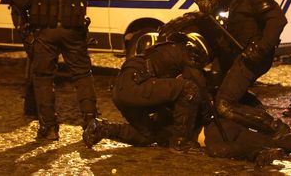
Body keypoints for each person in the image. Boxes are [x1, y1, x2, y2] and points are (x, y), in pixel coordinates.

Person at [14, 0, 98, 140]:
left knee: (43, 77)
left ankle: (49, 127)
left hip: (44, 32)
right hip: (74, 31)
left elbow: (22, 1)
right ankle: (91, 124)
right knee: (82, 75)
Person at [203, 0, 290, 138]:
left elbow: (277, 20)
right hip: (238, 54)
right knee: (225, 90)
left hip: (252, 57)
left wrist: (260, 48)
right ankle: (254, 120)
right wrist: (210, 5)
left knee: (224, 103)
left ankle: (275, 128)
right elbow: (224, 2)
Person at [83, 33, 213, 153]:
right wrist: (208, 115)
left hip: (121, 92)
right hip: (136, 87)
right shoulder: (186, 51)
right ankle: (181, 142)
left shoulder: (156, 52)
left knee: (147, 135)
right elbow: (198, 85)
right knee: (188, 88)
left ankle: (102, 129)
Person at [201, 117, 291, 166]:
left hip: (211, 133)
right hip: (221, 125)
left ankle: (261, 153)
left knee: (218, 150)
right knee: (273, 142)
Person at [9, 0, 43, 118]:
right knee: (38, 59)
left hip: (26, 15)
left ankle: (33, 105)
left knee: (36, 58)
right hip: (28, 16)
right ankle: (34, 106)